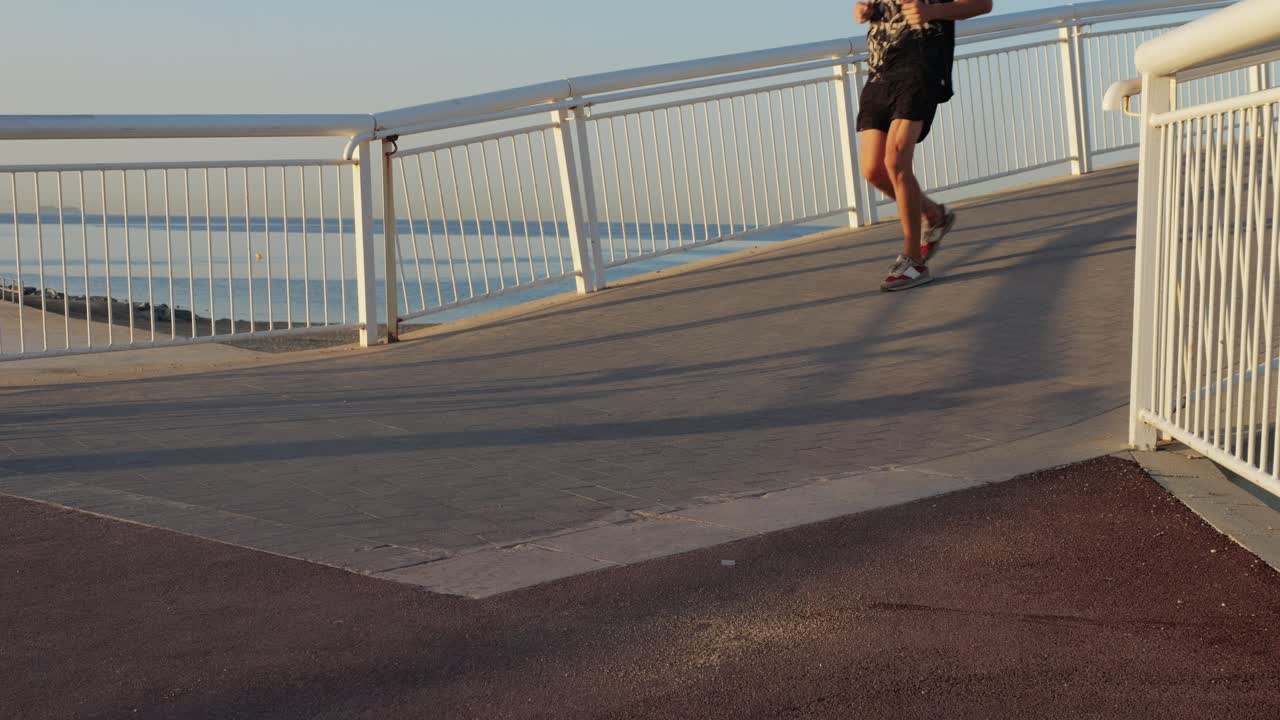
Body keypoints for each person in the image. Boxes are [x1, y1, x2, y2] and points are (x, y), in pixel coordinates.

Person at [854, 0, 993, 291]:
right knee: (872, 170)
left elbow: (984, 4)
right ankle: (935, 216)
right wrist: (862, 11)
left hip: (921, 69)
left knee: (896, 160)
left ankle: (914, 261)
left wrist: (932, 12)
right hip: (880, 70)